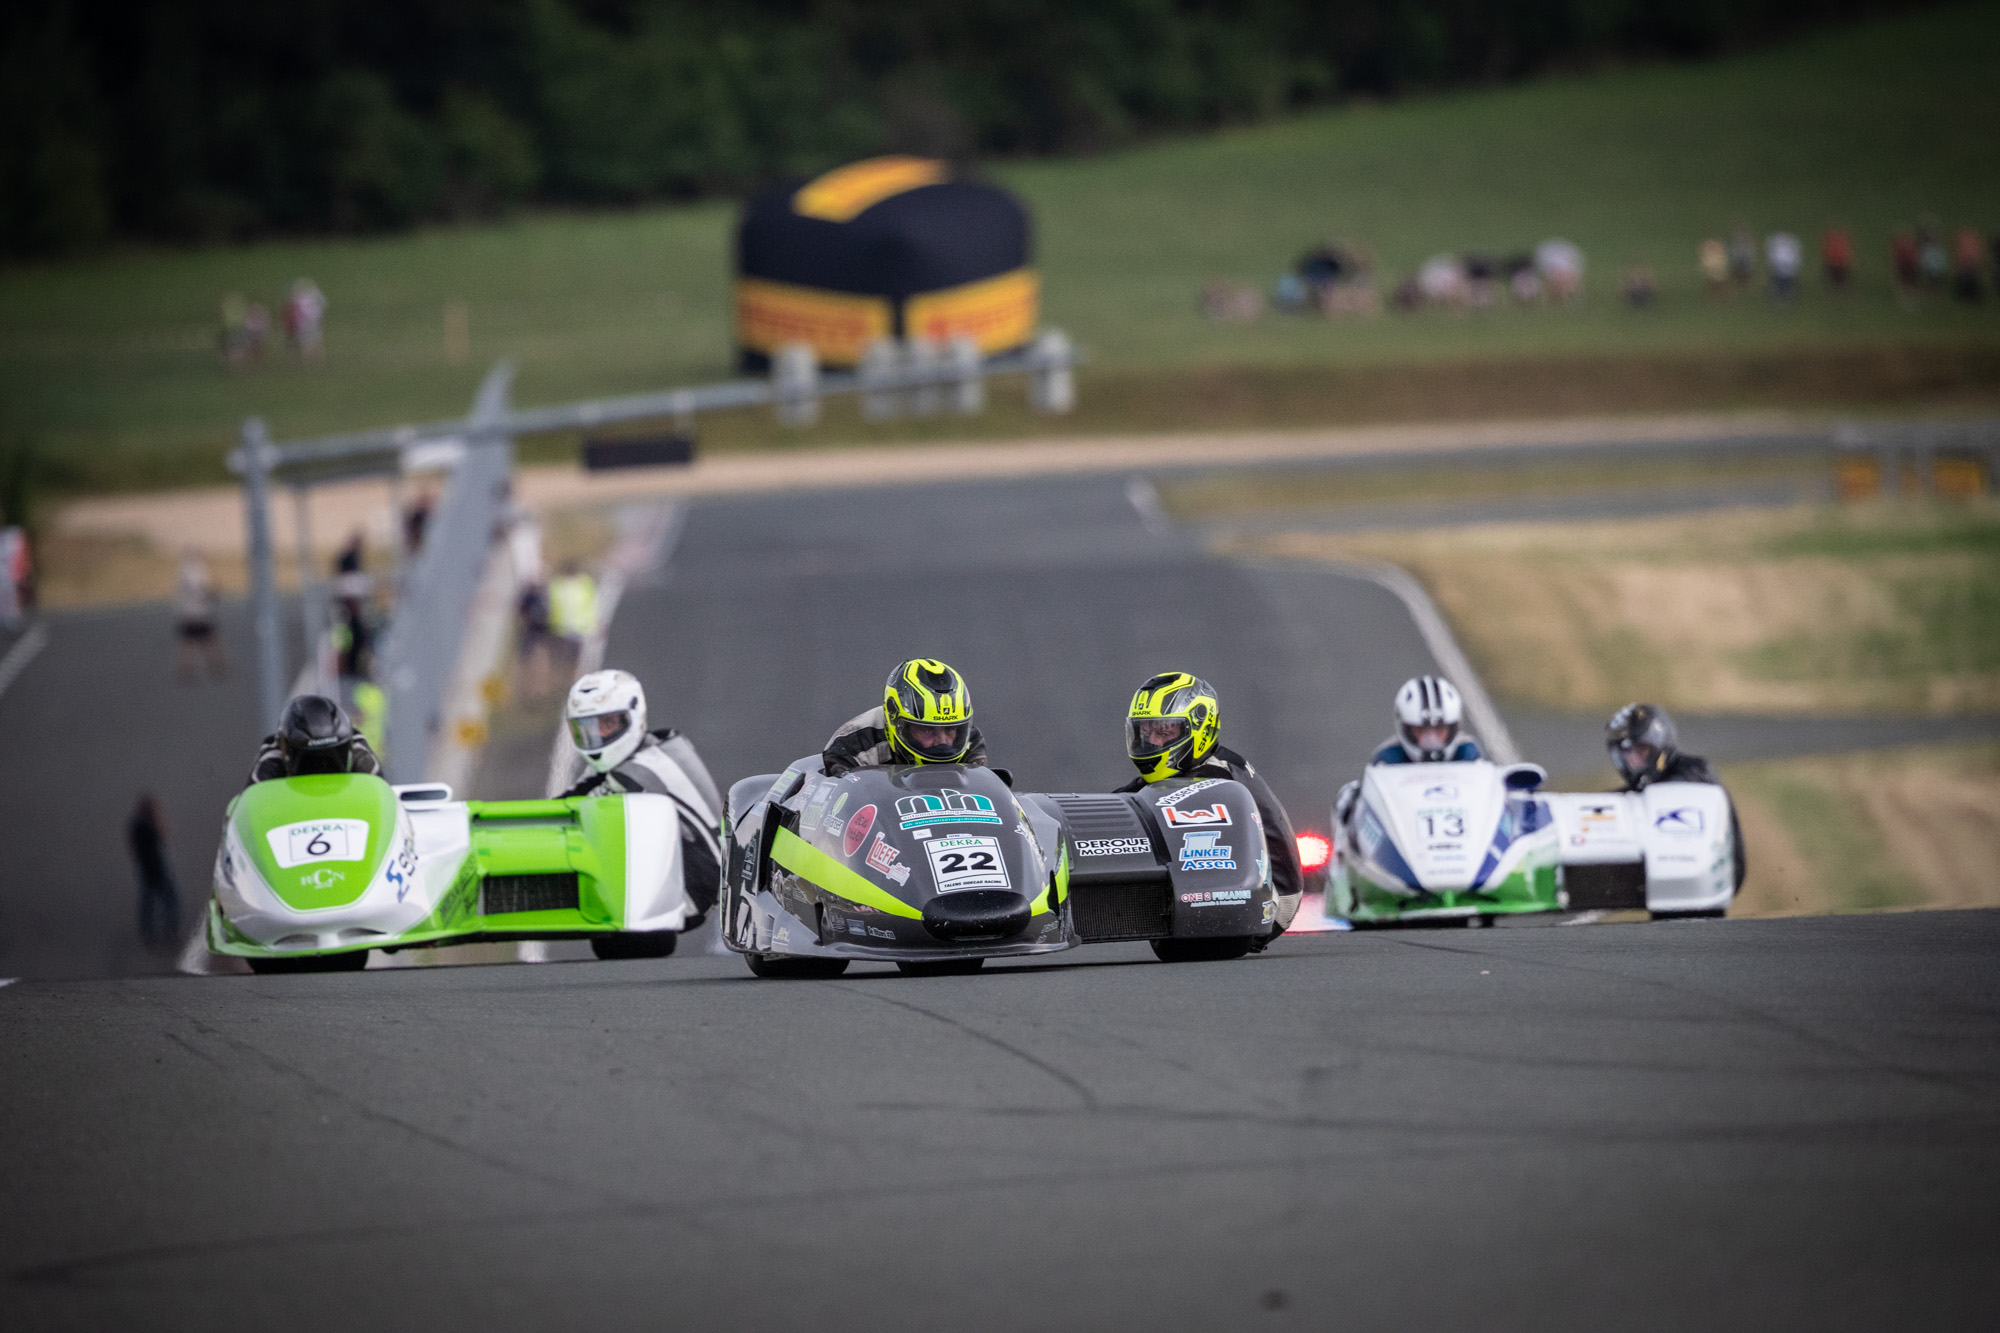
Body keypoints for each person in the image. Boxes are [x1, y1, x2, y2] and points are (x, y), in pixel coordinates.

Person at [1113, 671, 1302, 938]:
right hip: (1245, 894)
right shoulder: (1193, 769)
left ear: (1198, 728)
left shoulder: (1216, 776)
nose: (1153, 741)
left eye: (1164, 731)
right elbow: (1125, 800)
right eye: (1145, 731)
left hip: (1271, 903)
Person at [557, 669, 724, 917]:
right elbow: (571, 797)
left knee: (580, 846)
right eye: (587, 729)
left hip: (692, 889)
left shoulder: (637, 772)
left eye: (608, 724)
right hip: (705, 876)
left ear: (634, 716)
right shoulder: (659, 747)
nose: (598, 736)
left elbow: (565, 817)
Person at [1604, 702, 1745, 892]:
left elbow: (1665, 791)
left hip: (1714, 874)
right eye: (1627, 755)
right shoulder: (1640, 791)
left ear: (1658, 746)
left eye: (1641, 751)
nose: (1634, 761)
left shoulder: (1696, 771)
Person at [822, 658, 987, 775]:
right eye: (928, 730)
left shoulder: (969, 741)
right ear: (896, 722)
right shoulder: (853, 746)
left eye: (950, 729)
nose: (942, 742)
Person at [247, 695, 381, 785]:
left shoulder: (359, 753)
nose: (321, 770)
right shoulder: (271, 759)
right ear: (285, 750)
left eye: (330, 759)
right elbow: (249, 806)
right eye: (309, 762)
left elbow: (384, 799)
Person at [1370, 675, 1484, 765]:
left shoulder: (1468, 754)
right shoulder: (1388, 759)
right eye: (1421, 729)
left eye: (1439, 728)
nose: (1431, 738)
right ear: (1406, 729)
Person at [128, 793, 180, 950]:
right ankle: (168, 933)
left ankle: (149, 933)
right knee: (168, 900)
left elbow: (134, 850)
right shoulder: (146, 826)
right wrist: (158, 823)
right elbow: (162, 837)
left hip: (147, 868)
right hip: (155, 867)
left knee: (149, 902)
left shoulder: (136, 824)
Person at [174, 549, 226, 682]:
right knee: (210, 642)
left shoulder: (183, 572)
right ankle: (218, 669)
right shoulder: (197, 573)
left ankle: (186, 672)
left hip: (187, 614)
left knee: (188, 643)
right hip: (200, 614)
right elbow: (203, 592)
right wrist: (214, 591)